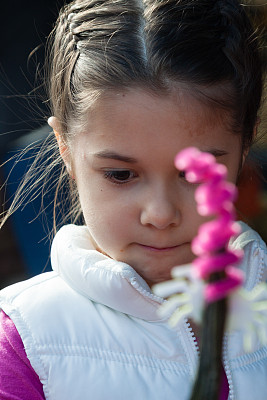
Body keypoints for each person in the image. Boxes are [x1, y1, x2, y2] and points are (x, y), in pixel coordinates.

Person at [0, 0, 266, 399]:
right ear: (66, 149)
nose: (160, 214)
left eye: (192, 174)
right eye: (121, 174)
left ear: (245, 145)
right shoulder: (25, 341)